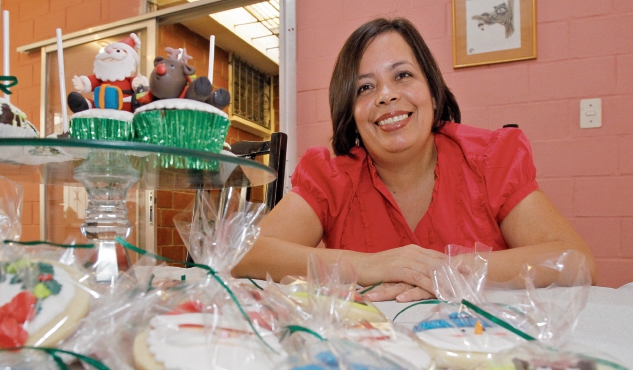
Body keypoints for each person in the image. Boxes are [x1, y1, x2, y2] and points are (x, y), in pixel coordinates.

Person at [232, 17, 597, 301]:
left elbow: (576, 261)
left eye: (403, 75)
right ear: (351, 113)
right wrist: (371, 265)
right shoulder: (331, 176)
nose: (387, 96)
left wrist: (449, 272)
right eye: (365, 87)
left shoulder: (489, 160)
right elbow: (245, 255)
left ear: (433, 94)